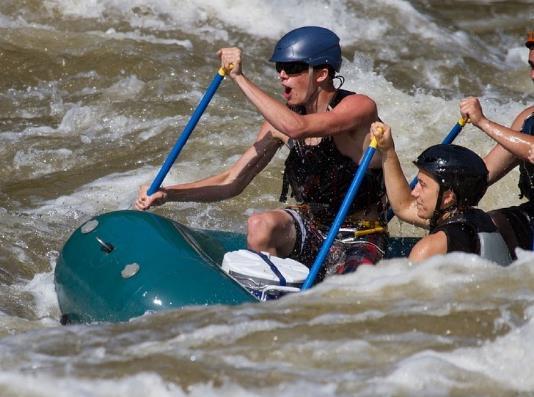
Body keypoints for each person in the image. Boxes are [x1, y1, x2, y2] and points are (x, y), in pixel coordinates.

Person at [135, 26, 388, 281]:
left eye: (292, 68)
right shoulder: (281, 121)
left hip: (359, 235)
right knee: (260, 225)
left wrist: (239, 78)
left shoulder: (358, 108)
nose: (282, 75)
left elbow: (297, 128)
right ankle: (266, 301)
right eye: (279, 67)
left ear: (322, 74)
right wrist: (168, 194)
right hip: (310, 228)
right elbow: (231, 181)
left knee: (345, 288)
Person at [370, 121, 512, 265]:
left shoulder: (429, 249)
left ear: (448, 197)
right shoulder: (481, 221)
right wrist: (387, 151)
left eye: (423, 185)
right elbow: (404, 206)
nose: (414, 192)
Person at [459, 31, 534, 257]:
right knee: (484, 224)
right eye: (531, 65)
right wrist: (437, 190)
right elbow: (483, 173)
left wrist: (483, 122)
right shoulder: (528, 118)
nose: (532, 75)